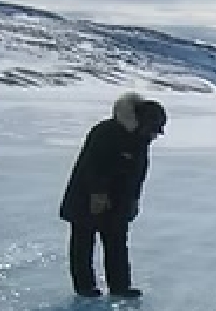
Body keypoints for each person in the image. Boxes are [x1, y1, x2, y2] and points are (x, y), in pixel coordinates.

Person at [59, 91, 167, 297]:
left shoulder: (140, 140)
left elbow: (138, 174)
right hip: (86, 197)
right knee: (83, 242)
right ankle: (85, 287)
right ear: (141, 121)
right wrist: (97, 194)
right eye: (153, 130)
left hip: (118, 200)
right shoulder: (105, 131)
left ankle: (120, 286)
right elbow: (92, 166)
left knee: (116, 242)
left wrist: (133, 200)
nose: (154, 135)